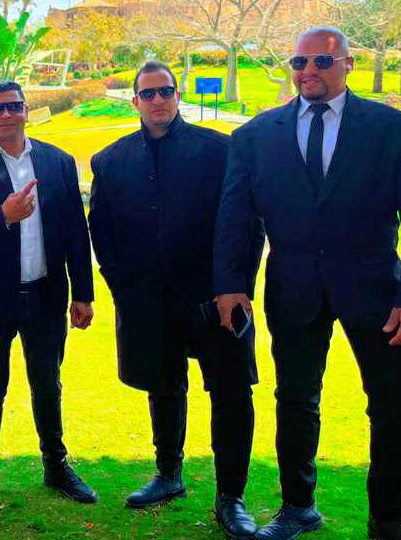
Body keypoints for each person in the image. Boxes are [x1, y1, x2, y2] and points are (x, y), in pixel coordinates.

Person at [214, 27, 401, 540]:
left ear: (349, 64)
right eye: (300, 61)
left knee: (395, 404)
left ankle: (389, 520)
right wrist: (231, 283)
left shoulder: (399, 132)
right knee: (294, 400)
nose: (308, 70)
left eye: (322, 61)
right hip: (292, 288)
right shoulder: (254, 137)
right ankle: (297, 508)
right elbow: (236, 216)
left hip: (377, 292)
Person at [89, 61, 264, 539]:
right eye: (148, 94)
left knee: (231, 392)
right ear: (135, 101)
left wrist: (237, 288)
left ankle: (231, 497)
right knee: (163, 387)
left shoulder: (221, 150)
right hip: (149, 300)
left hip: (216, 299)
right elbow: (101, 231)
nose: (158, 100)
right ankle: (168, 474)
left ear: (178, 95)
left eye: (165, 91)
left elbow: (250, 222)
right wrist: (123, 288)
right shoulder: (110, 161)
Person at [0, 79, 95, 511]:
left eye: (13, 106)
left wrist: (83, 293)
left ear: (26, 110)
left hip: (46, 295)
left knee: (48, 385)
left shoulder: (58, 162)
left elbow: (76, 232)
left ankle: (56, 466)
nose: (6, 114)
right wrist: (2, 216)